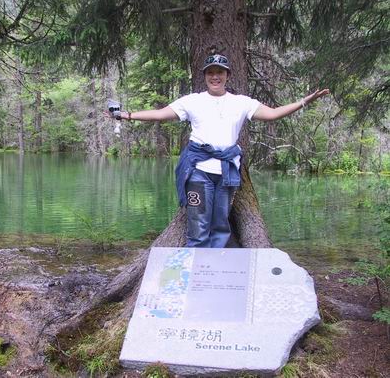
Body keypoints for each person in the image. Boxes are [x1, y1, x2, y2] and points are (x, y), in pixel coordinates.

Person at [109, 54, 329, 248]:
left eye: (220, 72)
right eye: (211, 73)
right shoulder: (192, 101)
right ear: (205, 76)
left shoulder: (242, 103)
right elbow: (160, 114)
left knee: (221, 224)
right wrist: (126, 115)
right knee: (198, 226)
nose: (215, 77)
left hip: (226, 173)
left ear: (227, 75)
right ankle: (196, 275)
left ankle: (214, 273)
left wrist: (304, 101)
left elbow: (272, 114)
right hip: (198, 171)